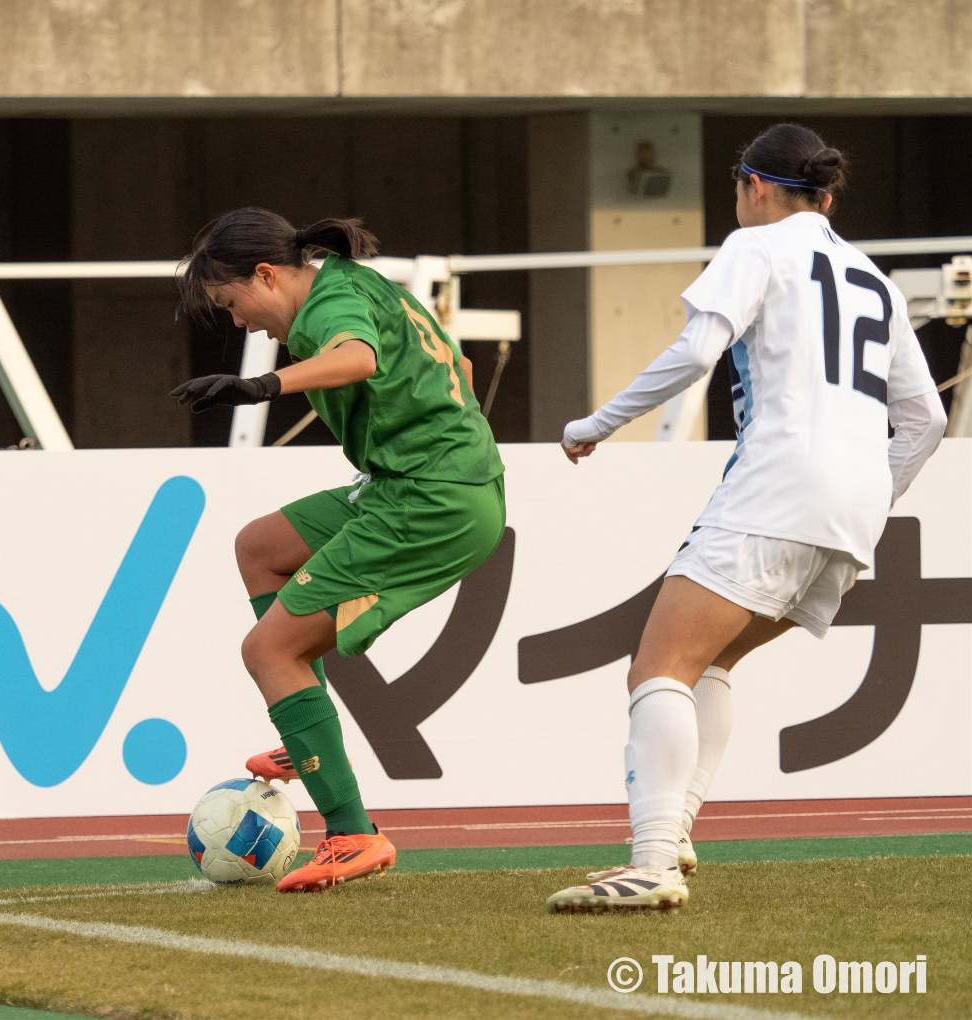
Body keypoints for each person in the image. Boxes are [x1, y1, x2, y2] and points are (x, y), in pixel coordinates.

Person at [546, 124, 946, 913]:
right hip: (853, 513)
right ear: (824, 196)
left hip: (778, 489)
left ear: (754, 185)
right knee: (711, 662)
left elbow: (699, 353)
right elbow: (926, 420)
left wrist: (596, 423)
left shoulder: (754, 245)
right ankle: (674, 831)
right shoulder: (876, 280)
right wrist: (868, 502)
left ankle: (651, 863)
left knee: (659, 667)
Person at [172, 208, 506, 892]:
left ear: (266, 275)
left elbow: (358, 359)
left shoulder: (328, 308)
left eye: (232, 304)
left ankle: (353, 834)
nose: (240, 323)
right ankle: (306, 739)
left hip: (431, 502)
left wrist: (261, 387)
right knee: (261, 547)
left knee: (268, 651)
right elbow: (462, 364)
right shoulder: (351, 280)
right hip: (415, 484)